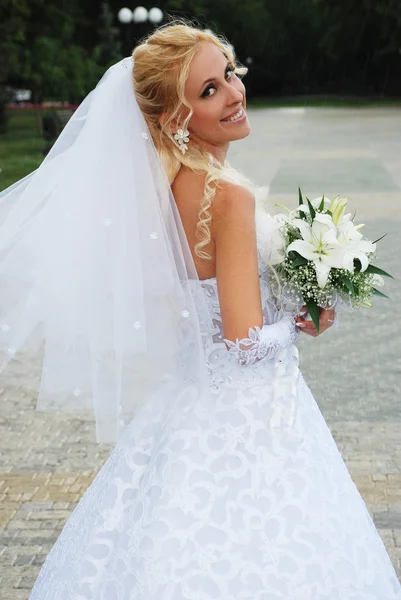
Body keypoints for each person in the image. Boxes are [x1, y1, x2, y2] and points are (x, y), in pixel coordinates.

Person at [0, 22, 399, 599]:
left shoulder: (161, 191)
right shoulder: (225, 196)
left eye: (230, 74)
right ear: (173, 119)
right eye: (208, 90)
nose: (234, 93)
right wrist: (300, 321)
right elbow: (241, 342)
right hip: (251, 417)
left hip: (186, 398)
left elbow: (205, 302)